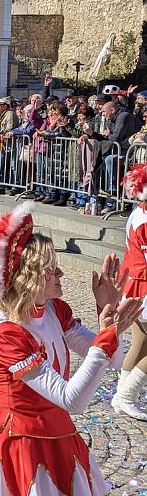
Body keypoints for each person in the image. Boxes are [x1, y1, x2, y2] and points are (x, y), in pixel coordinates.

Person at [0, 202, 141, 495]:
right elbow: (72, 400)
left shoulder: (53, 310)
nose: (61, 273)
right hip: (22, 444)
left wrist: (107, 321)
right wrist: (107, 335)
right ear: (26, 277)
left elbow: (114, 361)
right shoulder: (4, 331)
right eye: (50, 269)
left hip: (60, 436)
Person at [114, 164, 147, 420]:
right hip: (142, 284)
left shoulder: (138, 213)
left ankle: (121, 394)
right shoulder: (144, 220)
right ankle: (127, 395)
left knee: (140, 342)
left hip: (135, 283)